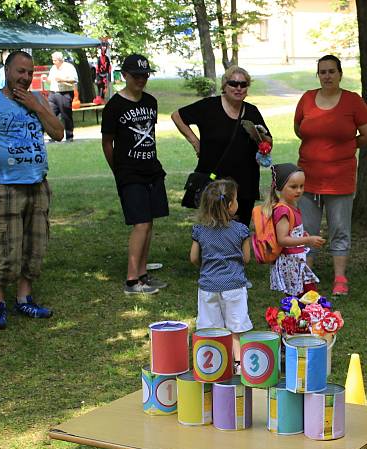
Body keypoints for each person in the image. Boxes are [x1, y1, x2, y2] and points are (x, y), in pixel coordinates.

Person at [0, 50, 64, 329]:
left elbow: (58, 133)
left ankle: (25, 298)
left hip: (37, 184)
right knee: (4, 247)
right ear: (7, 71)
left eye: (29, 72)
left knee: (35, 246)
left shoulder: (38, 99)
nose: (24, 77)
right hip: (5, 186)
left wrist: (38, 108)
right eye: (19, 71)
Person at [294, 54, 367, 296]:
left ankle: (340, 278)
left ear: (340, 74)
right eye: (323, 72)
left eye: (331, 71)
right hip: (307, 177)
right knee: (307, 230)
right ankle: (307, 278)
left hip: (340, 178)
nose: (327, 76)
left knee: (340, 229)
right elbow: (299, 129)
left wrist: (347, 147)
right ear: (318, 75)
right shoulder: (307, 99)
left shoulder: (353, 102)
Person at [101, 54, 169, 296]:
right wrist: (118, 169)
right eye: (136, 75)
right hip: (129, 172)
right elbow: (107, 142)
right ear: (125, 76)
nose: (141, 79)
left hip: (151, 168)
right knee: (140, 223)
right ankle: (132, 280)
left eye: (145, 75)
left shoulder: (150, 101)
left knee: (149, 223)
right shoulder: (114, 106)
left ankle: (142, 273)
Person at [172, 66, 271, 225]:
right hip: (214, 182)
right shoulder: (208, 107)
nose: (238, 88)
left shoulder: (252, 111)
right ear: (224, 85)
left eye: (243, 84)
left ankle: (238, 251)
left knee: (240, 228)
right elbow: (177, 116)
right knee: (213, 228)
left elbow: (268, 142)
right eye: (233, 83)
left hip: (245, 183)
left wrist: (260, 137)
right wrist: (195, 142)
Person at [190, 179, 252, 363]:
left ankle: (213, 365)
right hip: (234, 286)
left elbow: (194, 258)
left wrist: (205, 266)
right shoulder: (241, 230)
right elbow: (246, 259)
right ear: (231, 205)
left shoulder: (199, 231)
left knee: (210, 329)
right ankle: (239, 364)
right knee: (236, 329)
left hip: (208, 287)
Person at [260, 163, 324, 296]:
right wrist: (308, 239)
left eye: (302, 186)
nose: (299, 190)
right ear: (280, 187)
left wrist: (301, 234)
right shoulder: (283, 210)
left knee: (305, 296)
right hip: (290, 263)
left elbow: (292, 232)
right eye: (294, 187)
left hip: (296, 261)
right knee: (303, 298)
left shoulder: (291, 206)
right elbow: (282, 239)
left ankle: (300, 316)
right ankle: (298, 316)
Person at [47, 51, 78, 142]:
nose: (53, 62)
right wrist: (48, 80)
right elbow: (50, 79)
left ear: (60, 60)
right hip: (53, 93)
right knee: (51, 114)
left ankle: (69, 136)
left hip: (65, 93)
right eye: (53, 60)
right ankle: (53, 136)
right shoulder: (53, 68)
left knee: (66, 115)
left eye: (55, 60)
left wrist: (62, 80)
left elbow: (74, 80)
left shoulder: (69, 67)